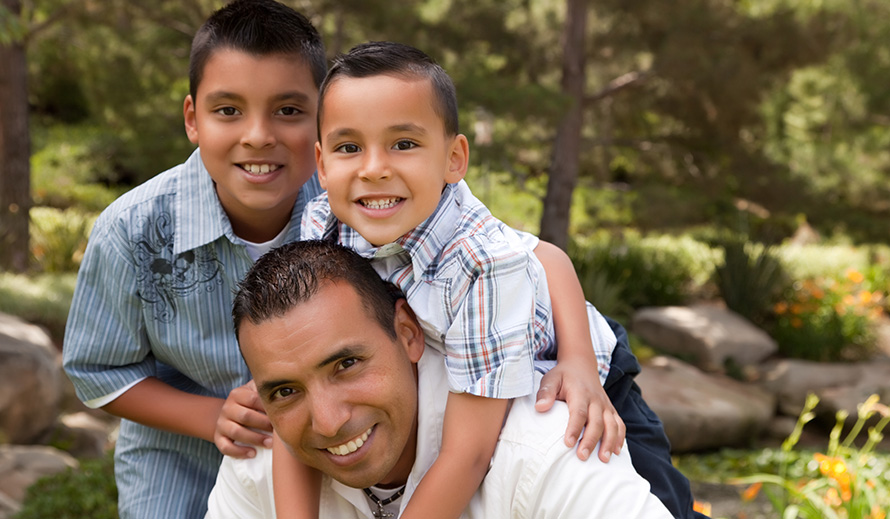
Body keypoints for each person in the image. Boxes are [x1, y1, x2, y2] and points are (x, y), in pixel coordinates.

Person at [293, 41, 705, 519]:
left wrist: (576, 362)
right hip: (481, 353)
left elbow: (469, 454)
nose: (374, 168)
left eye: (403, 144)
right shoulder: (323, 223)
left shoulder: (479, 262)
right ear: (321, 165)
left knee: (659, 504)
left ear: (454, 158)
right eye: (349, 147)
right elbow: (543, 252)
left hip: (591, 373)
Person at [61, 1, 326, 517]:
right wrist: (210, 416)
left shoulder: (351, 213)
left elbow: (489, 252)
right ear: (193, 119)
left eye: (288, 110)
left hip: (322, 454)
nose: (258, 135)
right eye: (228, 110)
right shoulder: (131, 230)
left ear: (323, 118)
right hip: (179, 465)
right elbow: (97, 371)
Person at [207, 239, 674, 518]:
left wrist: (578, 361)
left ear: (409, 334)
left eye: (346, 364)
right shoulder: (259, 455)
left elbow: (543, 255)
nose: (328, 422)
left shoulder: (545, 448)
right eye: (285, 390)